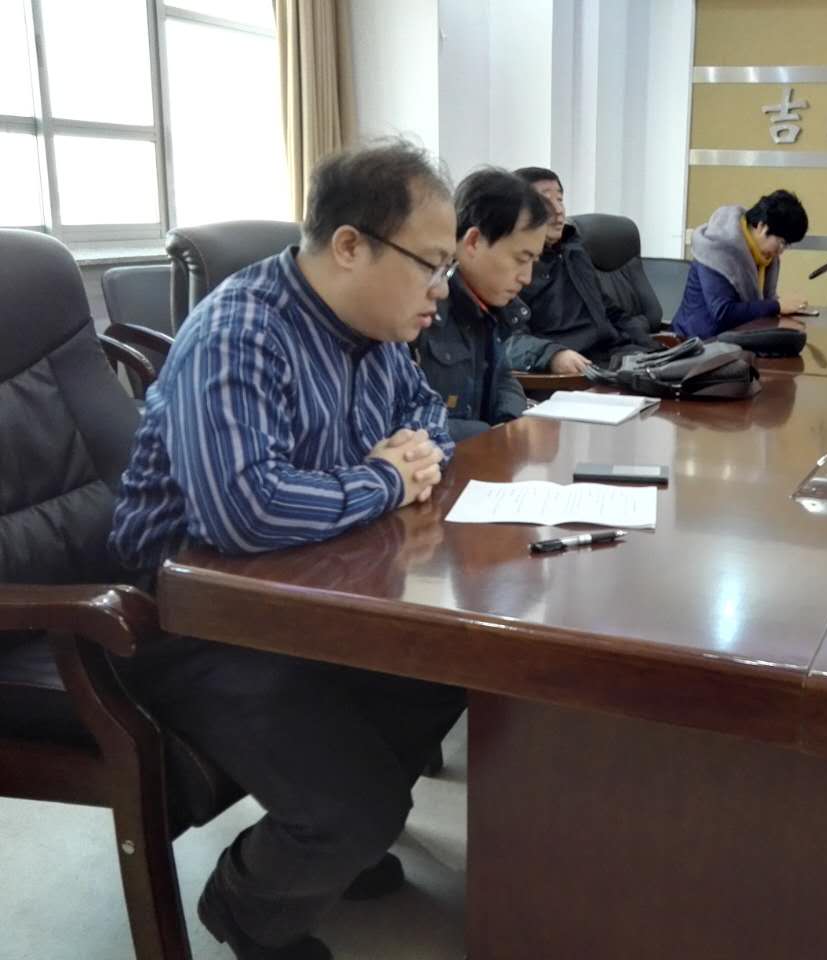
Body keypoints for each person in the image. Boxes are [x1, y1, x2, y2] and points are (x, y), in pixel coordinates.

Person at [108, 139, 467, 960]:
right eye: (431, 265)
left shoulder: (379, 331)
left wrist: (401, 462)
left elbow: (428, 422)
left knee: (444, 675)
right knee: (355, 808)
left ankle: (333, 850)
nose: (442, 290)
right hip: (188, 624)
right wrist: (382, 479)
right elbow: (243, 511)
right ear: (350, 246)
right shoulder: (239, 333)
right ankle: (245, 909)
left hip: (306, 596)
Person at [415, 167, 546, 441]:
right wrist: (488, 435)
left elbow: (503, 378)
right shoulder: (417, 307)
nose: (527, 277)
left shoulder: (490, 307)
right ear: (473, 242)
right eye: (521, 259)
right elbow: (404, 423)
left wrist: (509, 423)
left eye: (533, 261)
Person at [507, 165, 654, 374]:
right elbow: (506, 340)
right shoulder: (511, 266)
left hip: (615, 357)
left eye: (560, 200)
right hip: (572, 370)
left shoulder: (573, 249)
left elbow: (607, 309)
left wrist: (653, 351)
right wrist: (553, 356)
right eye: (545, 201)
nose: (558, 210)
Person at [672, 189, 811, 339]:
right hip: (695, 342)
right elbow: (723, 312)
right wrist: (777, 306)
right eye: (781, 242)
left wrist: (781, 307)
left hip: (732, 340)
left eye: (786, 245)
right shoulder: (718, 248)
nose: (781, 251)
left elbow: (761, 304)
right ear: (762, 226)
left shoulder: (763, 257)